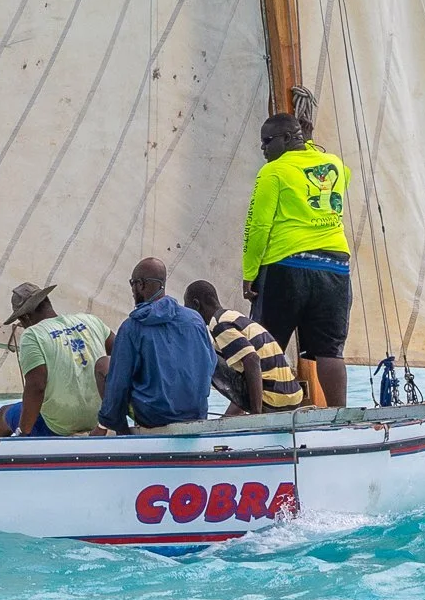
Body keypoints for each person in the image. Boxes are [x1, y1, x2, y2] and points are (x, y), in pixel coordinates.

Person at [242, 112, 352, 408]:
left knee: (265, 343)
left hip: (287, 267)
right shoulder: (336, 165)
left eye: (267, 141)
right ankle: (340, 414)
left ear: (289, 138)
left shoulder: (273, 172)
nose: (263, 148)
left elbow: (258, 227)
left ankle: (247, 412)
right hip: (335, 267)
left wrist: (249, 272)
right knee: (330, 351)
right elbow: (343, 183)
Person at [0, 283, 114, 438]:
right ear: (48, 302)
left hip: (59, 427)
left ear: (26, 317)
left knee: (5, 413)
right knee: (22, 409)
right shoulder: (91, 321)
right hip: (100, 419)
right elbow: (122, 357)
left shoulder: (33, 335)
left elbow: (36, 387)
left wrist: (24, 432)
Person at [98, 259, 216, 433]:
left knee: (102, 365)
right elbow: (210, 364)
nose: (132, 290)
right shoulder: (195, 319)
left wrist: (107, 421)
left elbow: (118, 383)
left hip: (153, 418)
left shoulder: (131, 327)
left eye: (132, 284)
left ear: (141, 285)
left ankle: (121, 433)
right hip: (196, 415)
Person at [182, 280, 303, 416]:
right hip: (292, 397)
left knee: (206, 355)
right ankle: (234, 415)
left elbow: (252, 360)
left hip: (273, 399)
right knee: (231, 359)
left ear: (197, 305)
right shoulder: (234, 317)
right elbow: (245, 371)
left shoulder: (219, 325)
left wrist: (256, 415)